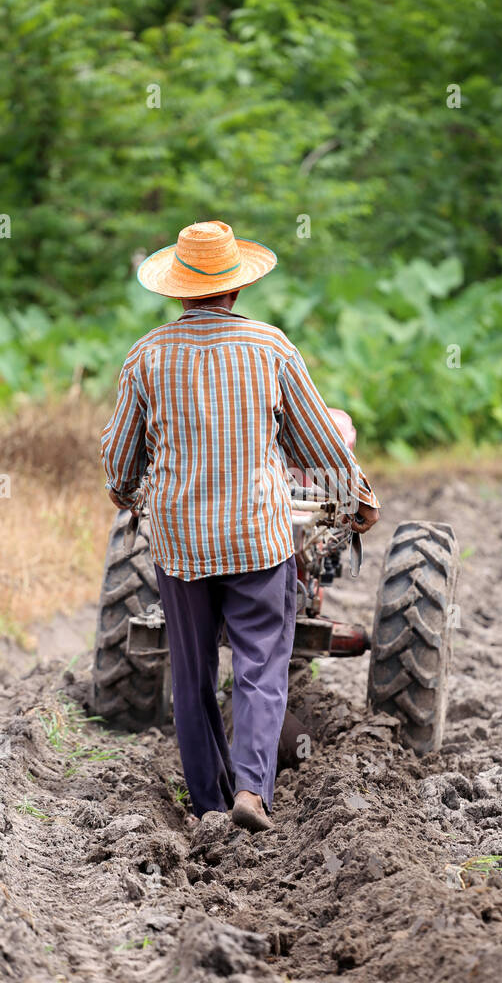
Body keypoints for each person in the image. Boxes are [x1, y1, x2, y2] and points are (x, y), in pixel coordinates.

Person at [101, 221, 379, 834]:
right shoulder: (271, 348)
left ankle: (207, 805)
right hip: (258, 536)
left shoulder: (146, 356)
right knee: (261, 663)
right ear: (235, 287)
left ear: (177, 291)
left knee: (194, 672)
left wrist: (125, 493)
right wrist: (360, 499)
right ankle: (253, 789)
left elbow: (121, 461)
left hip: (181, 545)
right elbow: (316, 441)